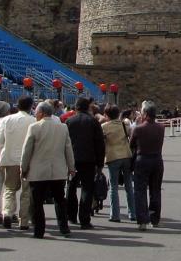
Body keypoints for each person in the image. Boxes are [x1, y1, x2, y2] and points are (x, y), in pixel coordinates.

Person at [21, 102, 76, 239]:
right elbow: (68, 149)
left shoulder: (34, 127)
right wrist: (71, 167)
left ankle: (39, 230)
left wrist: (23, 167)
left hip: (38, 170)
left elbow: (27, 150)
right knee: (59, 199)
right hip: (58, 169)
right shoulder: (63, 127)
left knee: (37, 201)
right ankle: (64, 228)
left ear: (40, 113)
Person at [65, 97, 106, 229]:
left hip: (72, 160)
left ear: (76, 108)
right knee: (87, 189)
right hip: (89, 159)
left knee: (71, 188)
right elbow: (100, 144)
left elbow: (64, 143)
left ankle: (71, 216)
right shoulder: (93, 122)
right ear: (88, 107)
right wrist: (100, 164)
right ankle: (84, 219)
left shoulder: (69, 121)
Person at [0, 96, 36, 231]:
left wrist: (4, 151)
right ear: (31, 106)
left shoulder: (6, 120)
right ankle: (23, 220)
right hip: (27, 160)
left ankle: (7, 212)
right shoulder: (33, 121)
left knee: (9, 188)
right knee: (26, 192)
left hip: (10, 159)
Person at [130, 101, 165, 230]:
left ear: (144, 114)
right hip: (157, 159)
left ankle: (142, 220)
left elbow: (131, 144)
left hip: (142, 159)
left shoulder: (138, 128)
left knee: (140, 190)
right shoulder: (161, 127)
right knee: (155, 190)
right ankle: (155, 219)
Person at [102, 104, 136, 223]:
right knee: (128, 186)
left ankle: (115, 214)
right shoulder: (124, 124)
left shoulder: (104, 127)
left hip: (113, 156)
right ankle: (132, 212)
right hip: (126, 155)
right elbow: (131, 137)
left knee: (113, 187)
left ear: (107, 115)